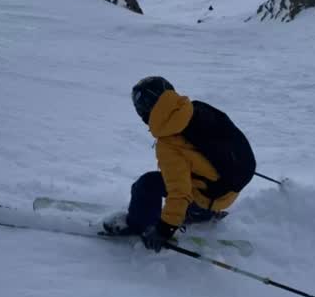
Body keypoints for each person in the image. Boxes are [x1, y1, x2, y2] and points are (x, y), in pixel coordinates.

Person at [102, 76, 256, 252]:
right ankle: (199, 213)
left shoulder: (168, 142)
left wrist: (164, 229)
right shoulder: (197, 109)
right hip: (227, 191)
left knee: (146, 185)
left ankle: (139, 224)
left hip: (205, 198)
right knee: (182, 177)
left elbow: (179, 192)